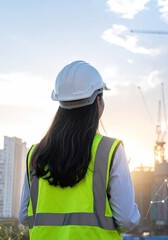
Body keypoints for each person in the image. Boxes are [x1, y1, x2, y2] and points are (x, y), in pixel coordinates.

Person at [18, 60, 140, 239]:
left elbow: (24, 217)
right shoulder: (110, 150)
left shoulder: (36, 154)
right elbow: (127, 220)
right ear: (98, 101)